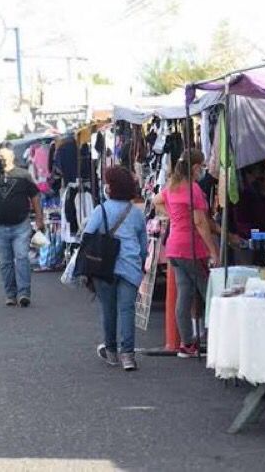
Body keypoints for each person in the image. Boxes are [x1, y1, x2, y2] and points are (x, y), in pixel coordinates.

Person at [154, 150, 219, 358]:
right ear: (195, 167)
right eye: (202, 165)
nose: (204, 169)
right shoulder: (193, 189)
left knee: (184, 295)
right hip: (191, 248)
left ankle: (187, 344)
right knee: (209, 292)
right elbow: (200, 222)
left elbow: (156, 201)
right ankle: (219, 338)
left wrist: (172, 215)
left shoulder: (172, 186)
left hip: (173, 248)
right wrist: (213, 251)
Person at [83, 167, 147, 371]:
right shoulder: (136, 213)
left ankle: (111, 352)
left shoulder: (100, 210)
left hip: (104, 267)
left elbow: (88, 235)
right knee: (127, 310)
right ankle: (128, 355)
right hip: (130, 266)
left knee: (108, 310)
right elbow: (143, 247)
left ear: (111, 187)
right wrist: (140, 265)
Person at [0, 142, 44, 307]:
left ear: (12, 156)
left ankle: (24, 293)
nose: (1, 160)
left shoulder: (23, 175)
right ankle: (10, 294)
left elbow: (35, 197)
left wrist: (39, 218)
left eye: (4, 157)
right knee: (5, 262)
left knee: (21, 258)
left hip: (21, 225)